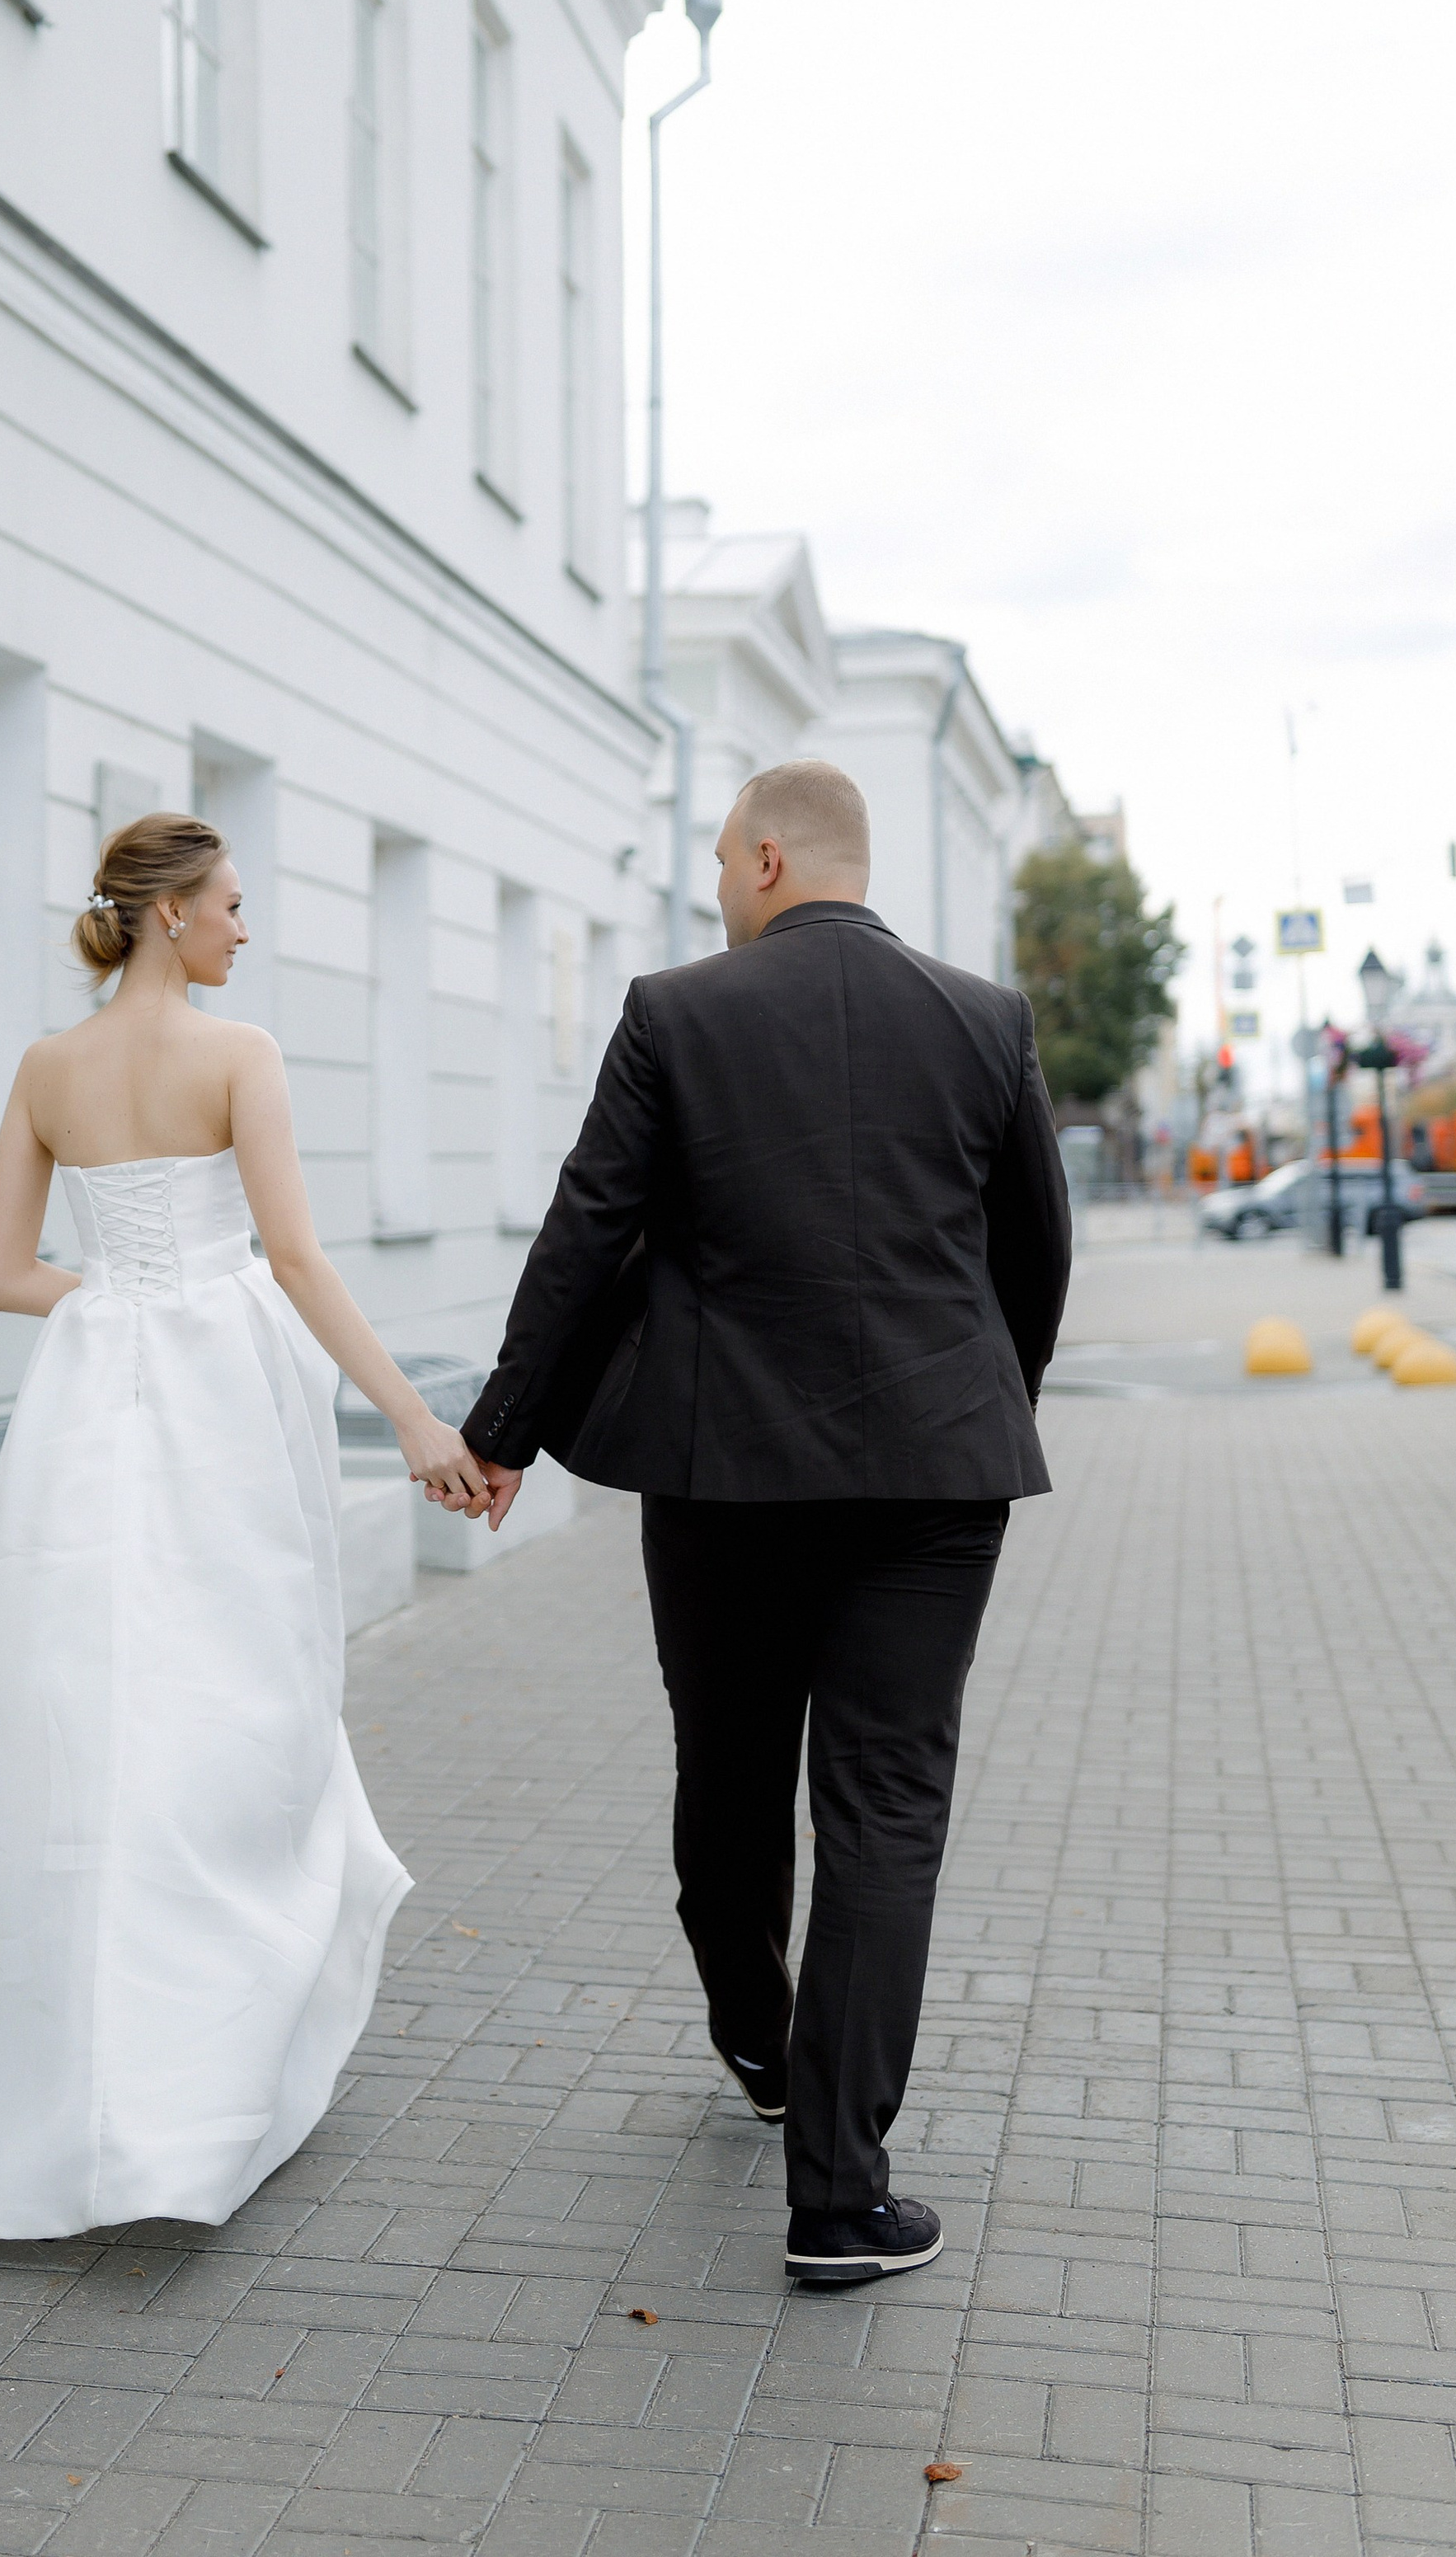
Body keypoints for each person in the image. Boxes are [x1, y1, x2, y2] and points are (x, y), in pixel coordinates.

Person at [0, 813, 488, 2240]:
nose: (249, 929)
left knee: (74, 1697)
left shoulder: (48, 1069)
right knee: (223, 1693)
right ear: (171, 915)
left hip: (87, 1411)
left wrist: (123, 1303)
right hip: (217, 1412)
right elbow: (295, 1257)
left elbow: (6, 1275)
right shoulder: (239, 1059)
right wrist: (416, 1424)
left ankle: (52, 2064)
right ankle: (194, 2066)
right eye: (236, 906)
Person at [458, 759, 1069, 2287]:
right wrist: (978, 1401)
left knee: (730, 1775)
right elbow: (1034, 1259)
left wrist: (501, 1436)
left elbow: (584, 1232)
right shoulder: (986, 1021)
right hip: (935, 1482)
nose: (715, 889)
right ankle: (842, 2203)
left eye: (725, 862)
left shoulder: (677, 1014)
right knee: (886, 1810)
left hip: (722, 1478)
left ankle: (756, 2034)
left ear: (777, 860)